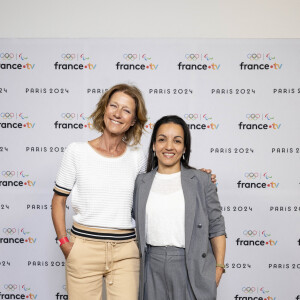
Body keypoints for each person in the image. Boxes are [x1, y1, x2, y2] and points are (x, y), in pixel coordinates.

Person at [51, 84, 217, 300]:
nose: (118, 114)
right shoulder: (76, 151)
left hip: (126, 253)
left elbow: (163, 178)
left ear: (133, 121)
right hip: (84, 248)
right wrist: (64, 243)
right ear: (104, 109)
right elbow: (58, 201)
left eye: (126, 110)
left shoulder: (137, 158)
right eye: (114, 106)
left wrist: (197, 176)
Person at [133, 115, 226, 300]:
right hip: (151, 265)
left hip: (190, 266)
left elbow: (217, 227)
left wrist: (218, 269)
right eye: (162, 139)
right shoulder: (140, 182)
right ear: (153, 145)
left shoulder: (201, 180)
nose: (169, 146)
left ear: (184, 148)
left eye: (177, 141)